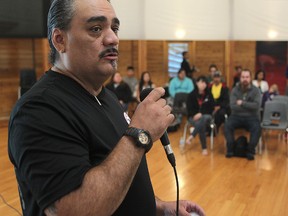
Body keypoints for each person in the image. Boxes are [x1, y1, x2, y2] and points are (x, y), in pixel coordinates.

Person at [8, 0, 205, 216]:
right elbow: (75, 211)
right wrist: (140, 133)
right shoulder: (39, 110)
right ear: (60, 40)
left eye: (115, 28)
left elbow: (120, 176)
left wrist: (158, 207)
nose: (113, 38)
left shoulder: (106, 96)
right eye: (96, 29)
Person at [224, 69, 261, 160]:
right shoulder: (235, 90)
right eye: (243, 77)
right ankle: (230, 148)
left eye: (247, 77)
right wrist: (248, 106)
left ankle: (250, 151)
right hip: (236, 116)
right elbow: (233, 106)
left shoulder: (256, 91)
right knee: (227, 126)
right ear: (240, 78)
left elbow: (256, 106)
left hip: (252, 117)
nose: (245, 79)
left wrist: (242, 103)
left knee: (257, 128)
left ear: (251, 78)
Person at [186, 76, 214, 156]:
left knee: (204, 119)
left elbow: (211, 108)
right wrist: (194, 115)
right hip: (193, 117)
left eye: (205, 83)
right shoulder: (191, 95)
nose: (203, 84)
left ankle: (192, 136)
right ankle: (204, 148)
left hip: (207, 116)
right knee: (201, 124)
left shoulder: (209, 94)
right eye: (201, 82)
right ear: (197, 83)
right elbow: (189, 109)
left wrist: (201, 113)